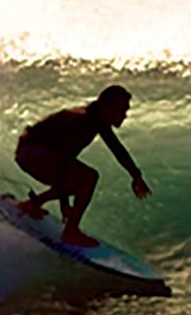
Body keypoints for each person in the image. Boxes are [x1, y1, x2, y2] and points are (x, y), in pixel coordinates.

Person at [14, 84, 151, 246]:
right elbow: (62, 163)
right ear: (107, 108)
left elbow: (117, 148)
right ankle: (71, 232)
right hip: (31, 153)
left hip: (36, 152)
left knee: (78, 181)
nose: (125, 115)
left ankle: (33, 204)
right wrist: (64, 204)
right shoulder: (82, 121)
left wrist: (136, 175)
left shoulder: (97, 118)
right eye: (122, 111)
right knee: (88, 178)